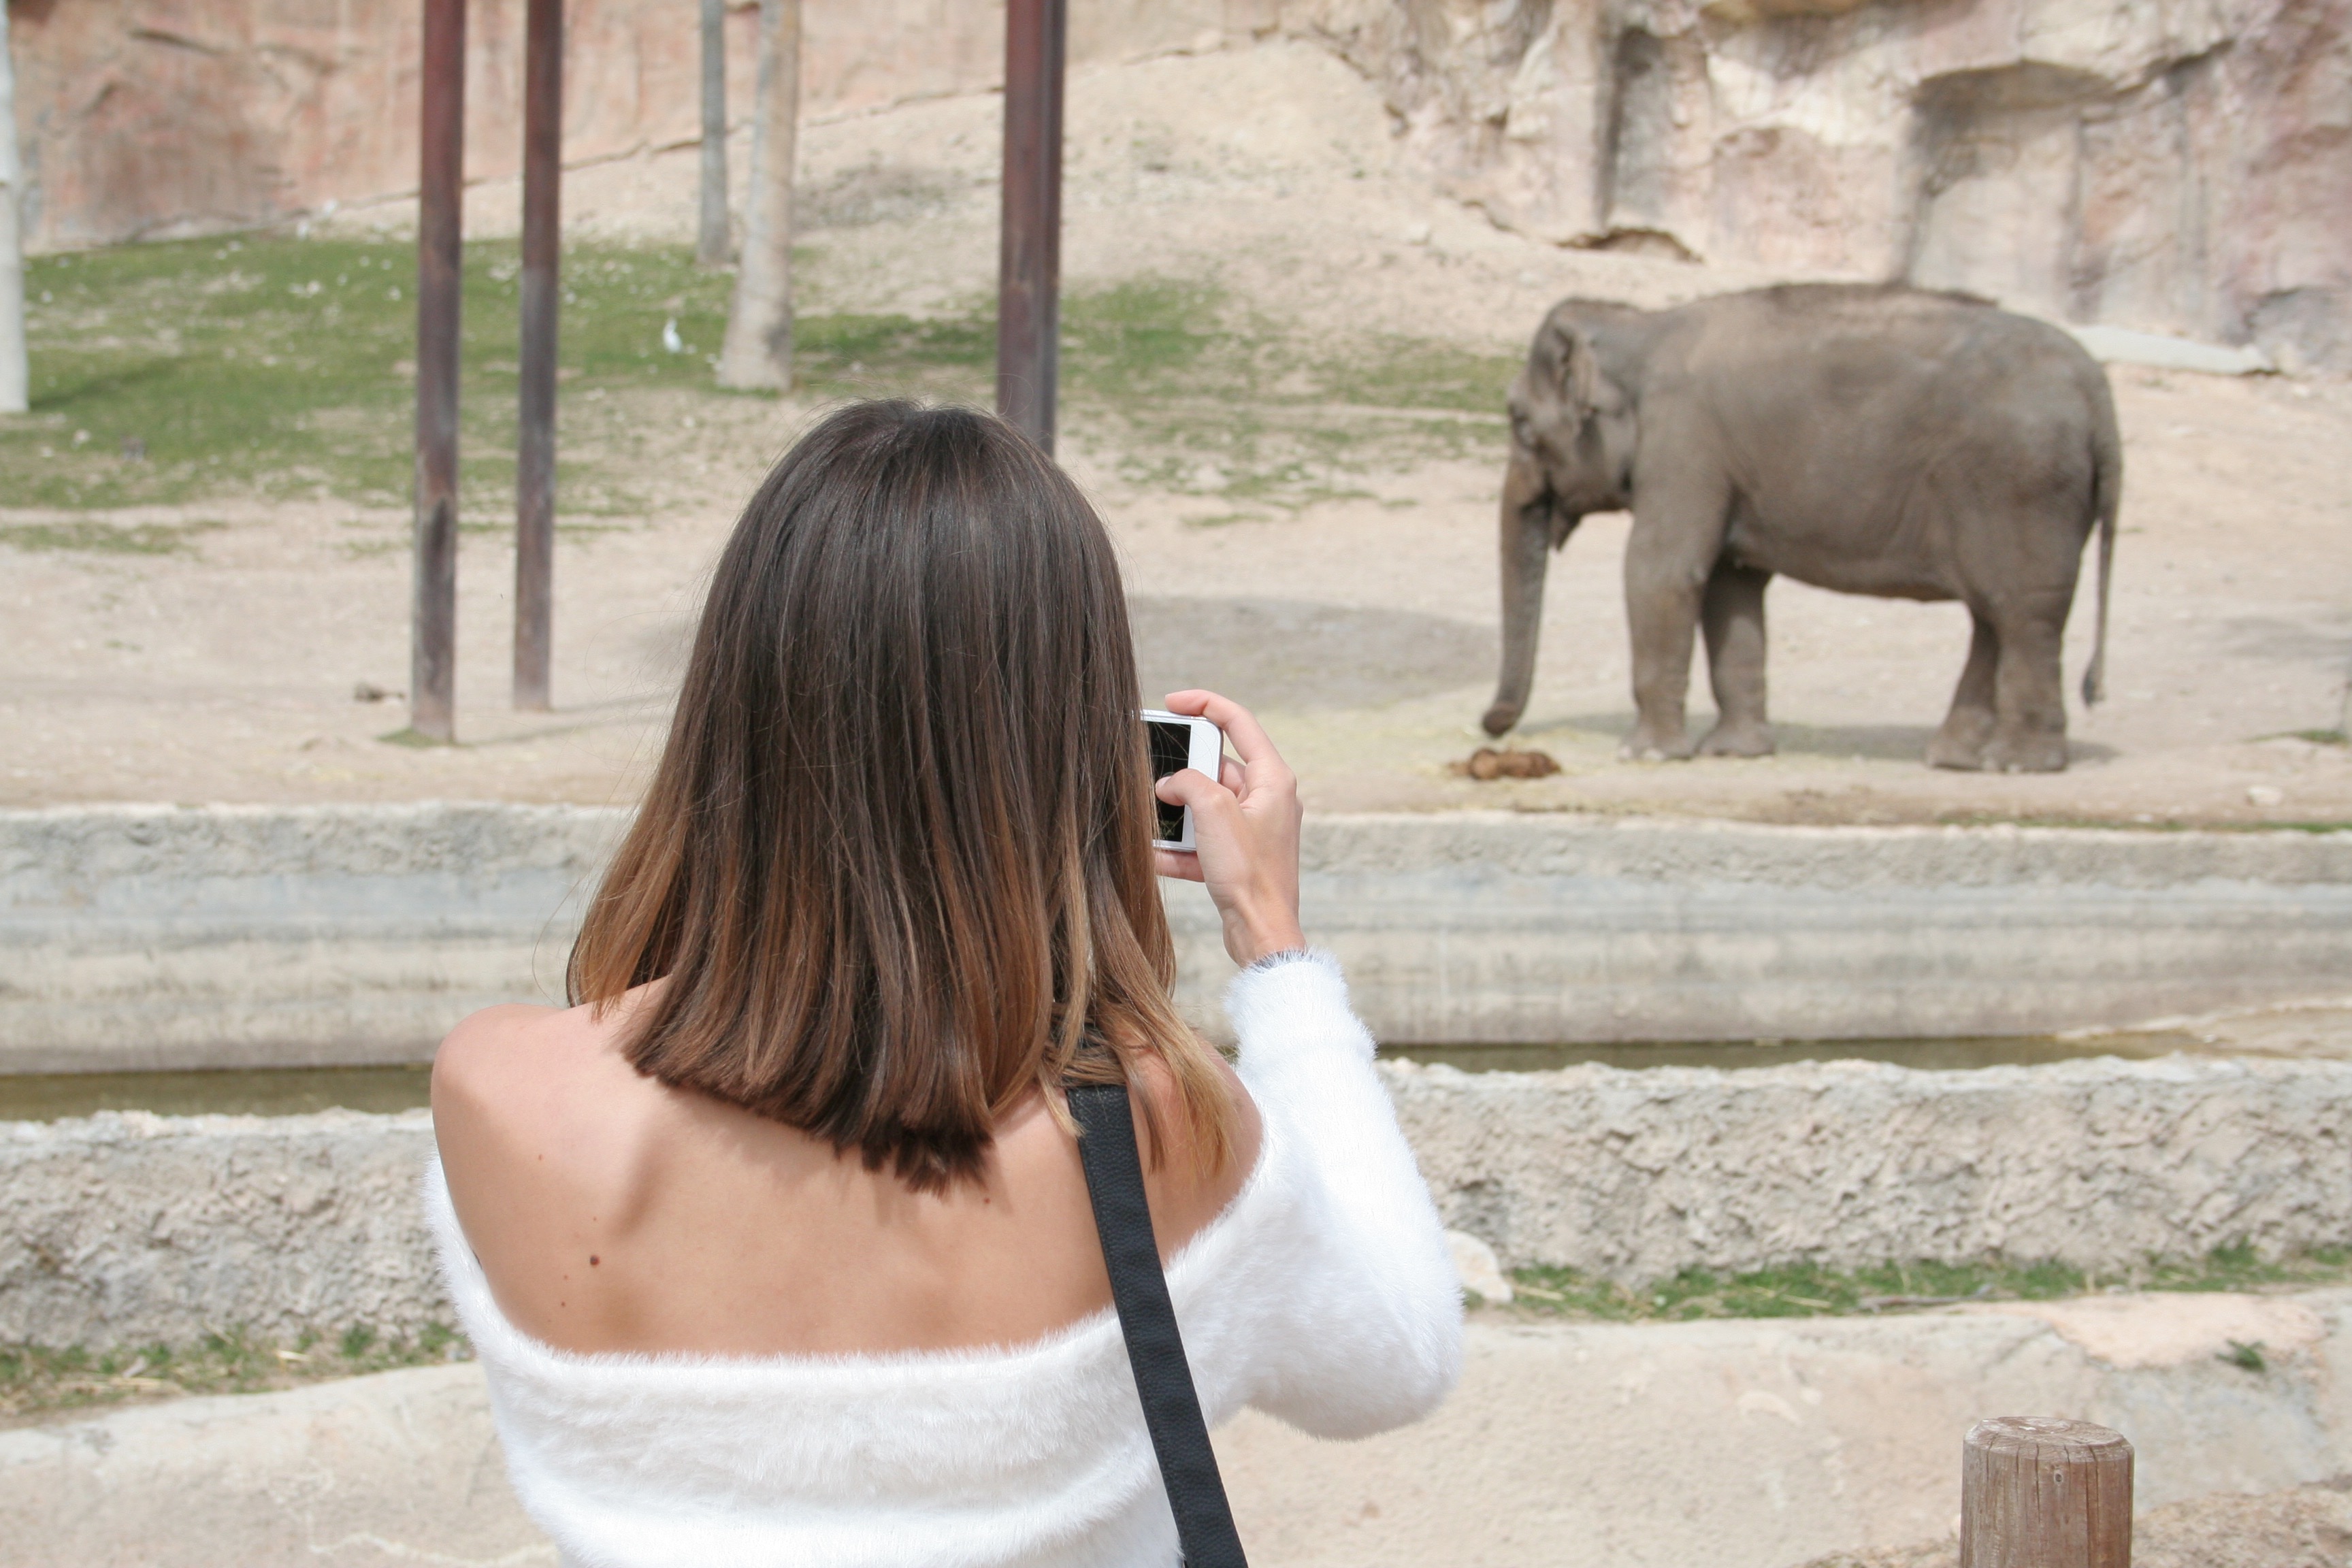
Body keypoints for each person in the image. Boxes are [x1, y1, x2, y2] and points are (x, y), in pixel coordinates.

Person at [428, 400, 1463, 1568]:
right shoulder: (1166, 1130)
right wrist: (1275, 947)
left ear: (732, 711)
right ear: (1078, 755)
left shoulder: (500, 1094)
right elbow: (1399, 1358)